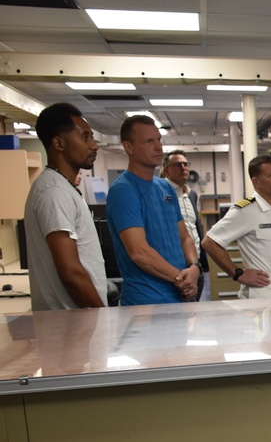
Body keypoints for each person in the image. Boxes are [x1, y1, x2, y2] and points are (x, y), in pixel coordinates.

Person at [106, 115, 200, 305]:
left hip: (178, 296)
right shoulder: (124, 190)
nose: (158, 147)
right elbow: (139, 252)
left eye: (159, 140)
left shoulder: (165, 187)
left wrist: (194, 267)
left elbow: (185, 237)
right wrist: (183, 279)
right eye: (149, 141)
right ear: (128, 147)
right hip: (147, 301)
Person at [23, 102, 108, 311]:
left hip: (79, 324)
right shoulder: (54, 192)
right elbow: (71, 273)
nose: (94, 145)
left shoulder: (62, 187)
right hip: (72, 329)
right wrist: (103, 316)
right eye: (85, 137)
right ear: (59, 143)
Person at [202, 155, 271, 299]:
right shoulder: (246, 211)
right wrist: (238, 273)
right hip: (262, 289)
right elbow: (209, 242)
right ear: (256, 182)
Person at [161, 150, 208, 299]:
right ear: (166, 170)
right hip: (176, 263)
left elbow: (195, 228)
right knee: (181, 313)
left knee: (194, 309)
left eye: (185, 164)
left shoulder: (191, 194)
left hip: (196, 262)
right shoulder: (161, 193)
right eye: (177, 165)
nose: (183, 168)